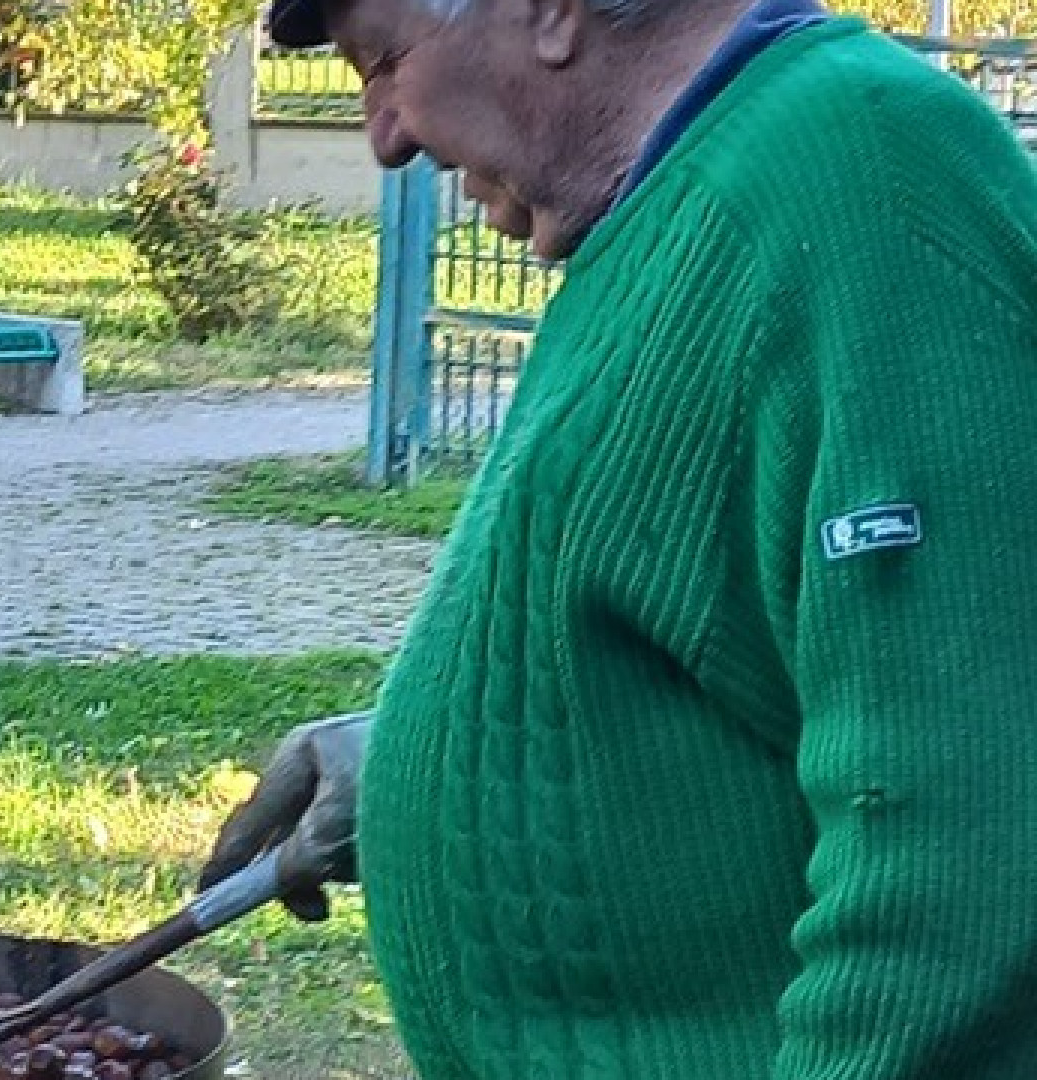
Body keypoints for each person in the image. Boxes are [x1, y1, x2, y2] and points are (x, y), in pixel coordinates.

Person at [194, 0, 1037, 1075]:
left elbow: (969, 839)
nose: (385, 135)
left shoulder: (869, 180)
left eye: (381, 63)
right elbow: (735, 627)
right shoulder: (677, 206)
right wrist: (434, 754)